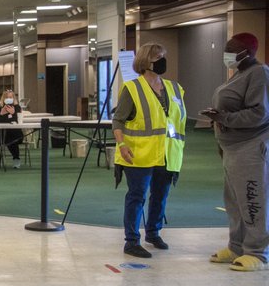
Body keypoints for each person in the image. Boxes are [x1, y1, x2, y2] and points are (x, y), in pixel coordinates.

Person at [201, 32, 269, 272]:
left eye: (232, 49)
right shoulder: (239, 74)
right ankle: (237, 246)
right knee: (233, 202)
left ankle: (257, 252)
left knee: (252, 200)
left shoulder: (259, 73)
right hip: (231, 147)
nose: (227, 54)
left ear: (247, 52)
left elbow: (259, 113)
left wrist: (224, 117)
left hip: (250, 146)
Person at [112, 42, 186, 259]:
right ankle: (131, 240)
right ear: (146, 62)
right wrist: (122, 145)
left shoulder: (174, 88)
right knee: (137, 196)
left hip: (166, 153)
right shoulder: (132, 88)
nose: (163, 61)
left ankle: (153, 232)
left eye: (164, 56)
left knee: (160, 195)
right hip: (138, 153)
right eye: (158, 57)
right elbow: (118, 121)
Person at [0, 89, 23, 169]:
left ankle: (16, 159)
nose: (9, 99)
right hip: (0, 133)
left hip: (14, 133)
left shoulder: (17, 107)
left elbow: (18, 120)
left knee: (12, 141)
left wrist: (13, 114)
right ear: (3, 98)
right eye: (7, 97)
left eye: (10, 97)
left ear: (13, 98)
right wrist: (1, 114)